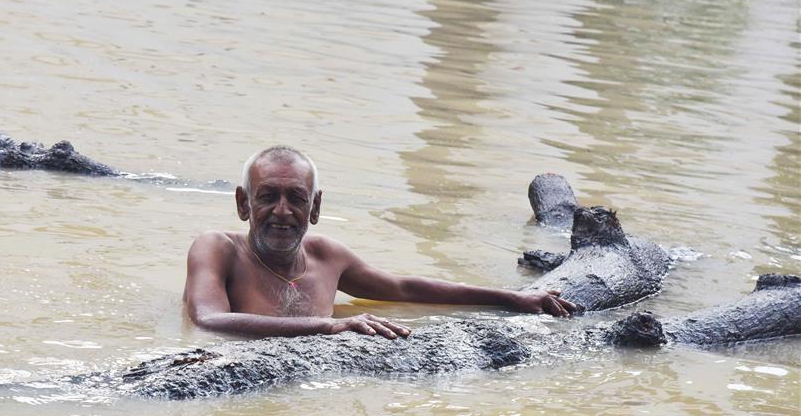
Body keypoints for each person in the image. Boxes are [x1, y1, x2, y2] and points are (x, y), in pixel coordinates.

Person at [183, 145, 577, 339]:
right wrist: (330, 327)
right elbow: (209, 320)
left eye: (296, 199)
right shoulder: (218, 249)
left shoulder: (326, 256)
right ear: (243, 203)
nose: (282, 211)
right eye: (267, 197)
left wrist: (515, 299)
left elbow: (403, 288)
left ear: (315, 208)